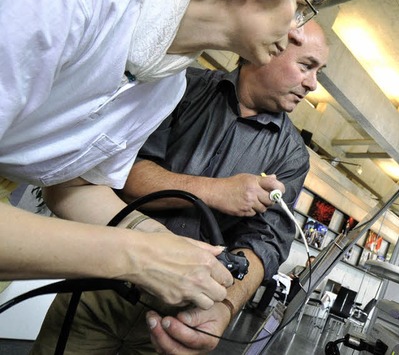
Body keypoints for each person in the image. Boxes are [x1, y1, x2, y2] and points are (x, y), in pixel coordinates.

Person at [0, 0, 348, 316]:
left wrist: (166, 246)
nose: (298, 33)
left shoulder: (166, 87)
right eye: (299, 8)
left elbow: (73, 188)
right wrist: (138, 257)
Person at [32, 21, 330, 354]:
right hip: (101, 286)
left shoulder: (290, 156)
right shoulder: (182, 88)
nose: (312, 84)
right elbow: (118, 175)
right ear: (270, 48)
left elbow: (266, 243)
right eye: (306, 66)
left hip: (182, 318)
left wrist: (223, 308)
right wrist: (216, 191)